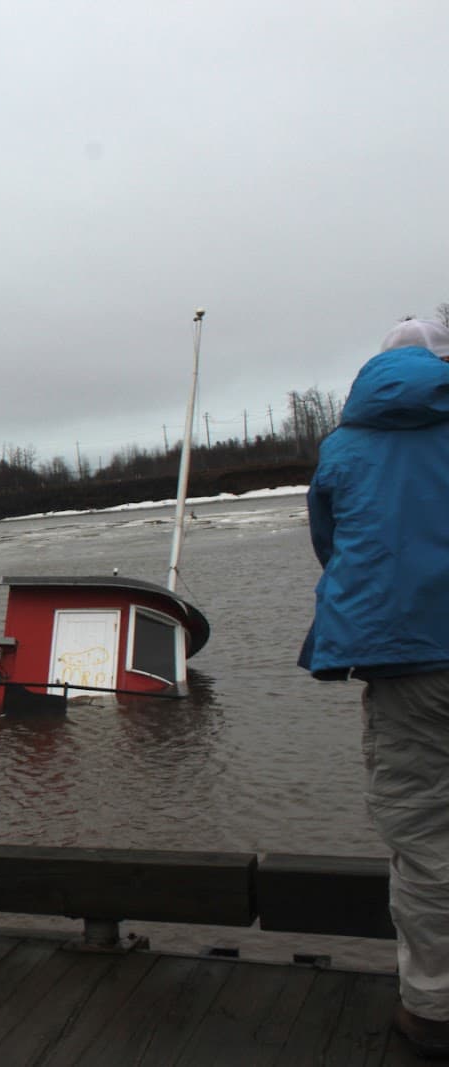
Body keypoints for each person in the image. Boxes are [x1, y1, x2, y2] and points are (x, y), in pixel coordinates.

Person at [302, 316, 449, 1058]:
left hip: (408, 661)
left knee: (425, 835)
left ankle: (434, 1008)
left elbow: (333, 546)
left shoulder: (344, 445)